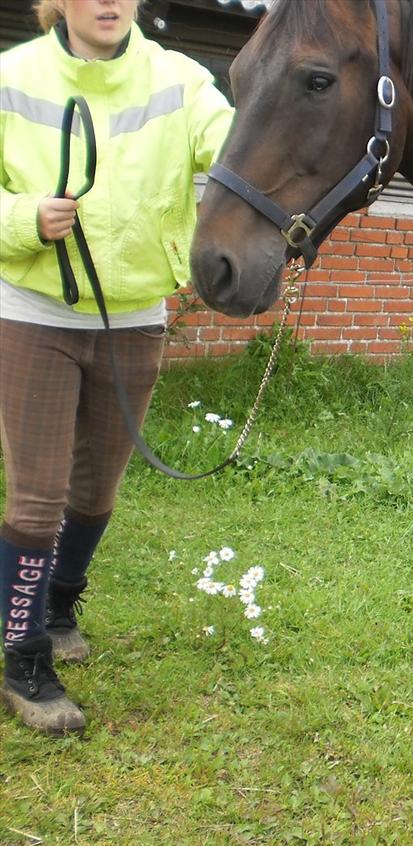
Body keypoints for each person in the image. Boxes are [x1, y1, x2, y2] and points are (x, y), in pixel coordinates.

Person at [0, 0, 233, 734]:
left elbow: (237, 145)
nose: (108, 2)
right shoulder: (11, 77)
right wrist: (25, 220)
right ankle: (23, 655)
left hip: (133, 317)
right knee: (37, 497)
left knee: (97, 491)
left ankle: (61, 602)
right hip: (33, 312)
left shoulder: (182, 80)